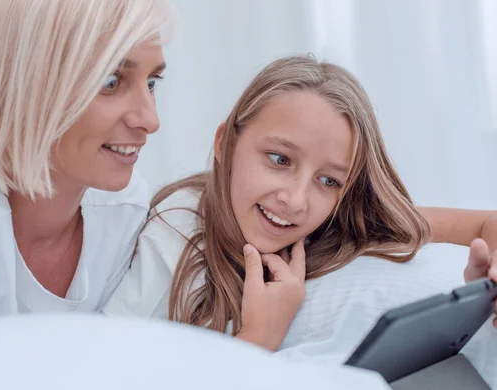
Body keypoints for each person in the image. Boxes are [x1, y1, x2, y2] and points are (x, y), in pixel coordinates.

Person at [103, 55, 497, 351]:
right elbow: (98, 368)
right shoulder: (176, 235)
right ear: (225, 143)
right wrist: (259, 336)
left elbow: (484, 225)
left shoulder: (331, 220)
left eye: (327, 180)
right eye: (279, 160)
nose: (295, 200)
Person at [0, 0, 174, 334]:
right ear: (27, 81)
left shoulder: (125, 212)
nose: (150, 120)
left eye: (152, 82)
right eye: (111, 81)